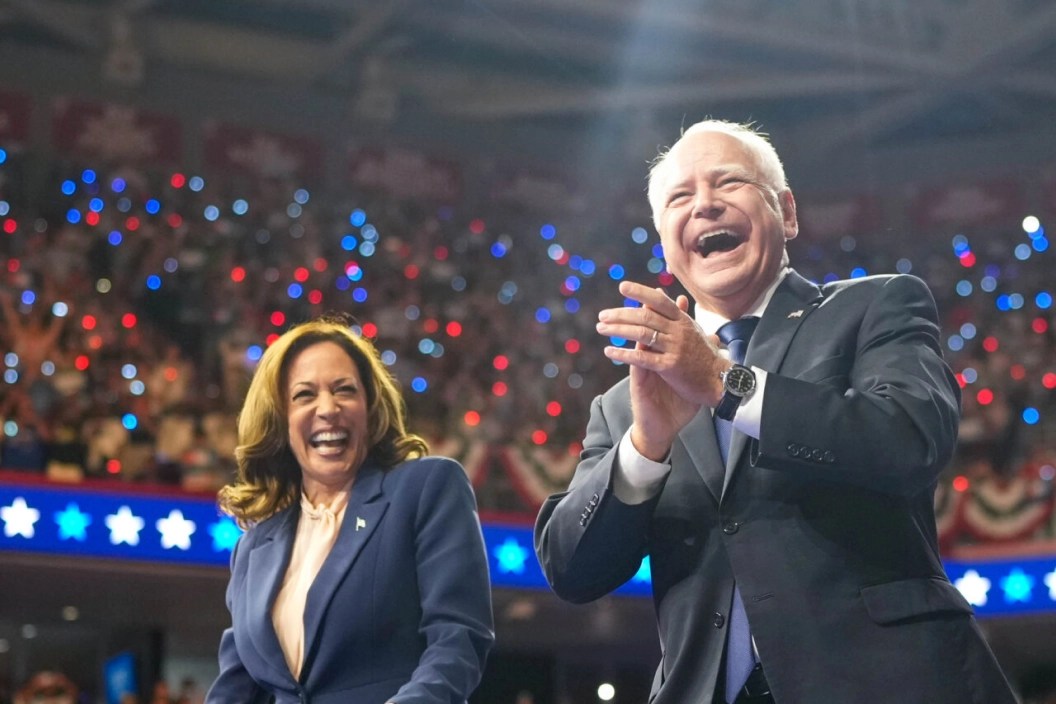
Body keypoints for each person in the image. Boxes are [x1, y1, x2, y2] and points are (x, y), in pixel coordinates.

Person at [534, 120, 1018, 704]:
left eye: (729, 183)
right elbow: (572, 571)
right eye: (680, 198)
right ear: (665, 240)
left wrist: (722, 383)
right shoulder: (626, 405)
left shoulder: (875, 306)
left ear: (786, 213)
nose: (705, 205)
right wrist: (644, 448)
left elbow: (908, 439)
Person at [206, 316, 494, 704]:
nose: (328, 408)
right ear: (280, 421)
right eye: (304, 395)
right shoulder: (254, 545)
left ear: (370, 407)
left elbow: (457, 641)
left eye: (344, 390)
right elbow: (235, 690)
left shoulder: (426, 488)